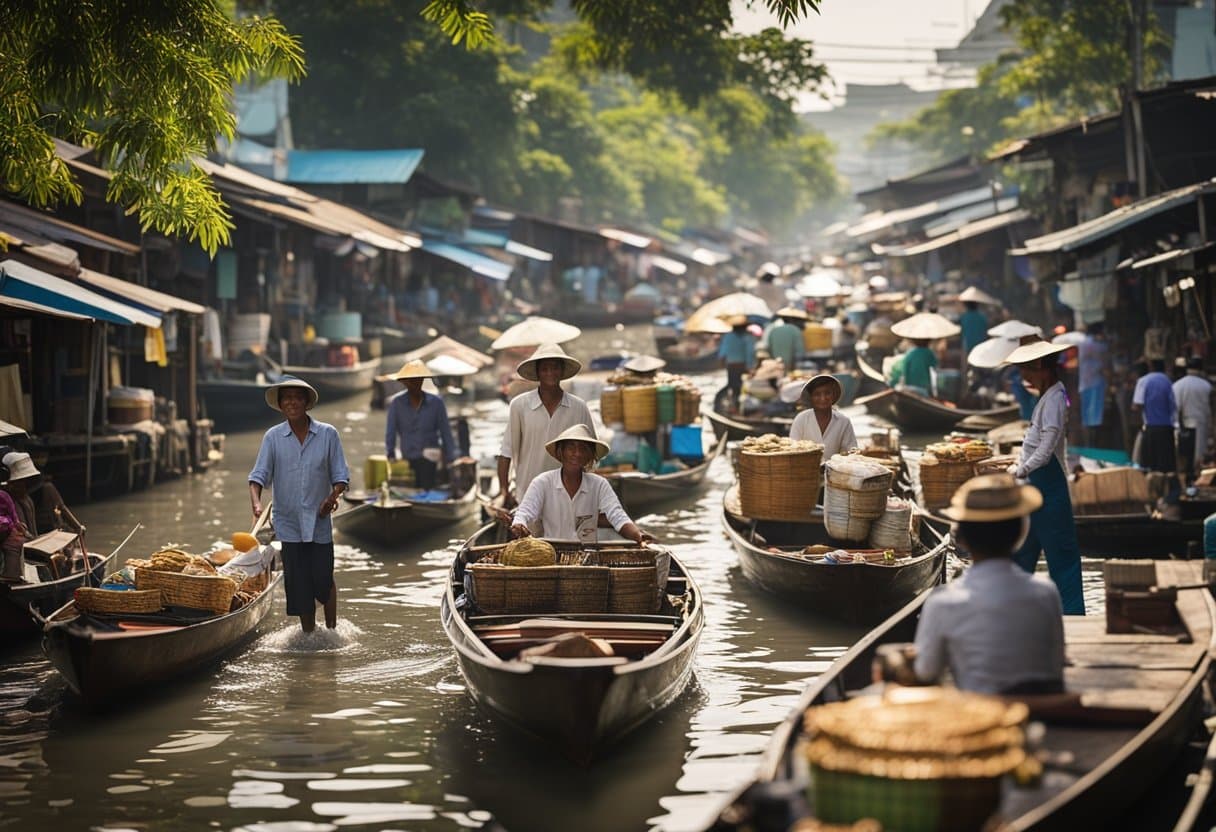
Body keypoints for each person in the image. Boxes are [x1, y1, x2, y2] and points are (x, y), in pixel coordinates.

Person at [907, 474, 1065, 695]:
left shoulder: (943, 602)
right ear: (1020, 532)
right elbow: (1055, 666)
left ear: (962, 538)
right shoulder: (1046, 593)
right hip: (1041, 711)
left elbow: (925, 671)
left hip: (980, 715)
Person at [249, 377, 350, 633]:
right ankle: (309, 634)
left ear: (306, 402)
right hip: (289, 523)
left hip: (318, 521)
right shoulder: (273, 437)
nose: (292, 402)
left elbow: (340, 476)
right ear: (281, 405)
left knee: (323, 579)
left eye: (297, 397)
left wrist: (332, 497)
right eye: (287, 398)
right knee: (299, 584)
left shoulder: (328, 434)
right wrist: (257, 504)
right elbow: (258, 476)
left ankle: (331, 629)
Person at [1004, 336, 1084, 615]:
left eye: (1026, 368)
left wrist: (1020, 469)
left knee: (1063, 561)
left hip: (1049, 490)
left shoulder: (1055, 399)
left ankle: (1073, 617)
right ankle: (1011, 612)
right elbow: (1034, 445)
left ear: (1041, 365)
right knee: (1022, 555)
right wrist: (1018, 463)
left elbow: (1046, 450)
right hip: (1036, 489)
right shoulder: (1048, 396)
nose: (1023, 375)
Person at [511, 424, 651, 546]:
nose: (577, 454)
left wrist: (638, 536)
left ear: (588, 455)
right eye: (571, 447)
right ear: (562, 452)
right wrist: (519, 525)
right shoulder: (542, 482)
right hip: (553, 553)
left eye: (583, 449)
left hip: (588, 553)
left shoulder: (599, 484)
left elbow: (618, 516)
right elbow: (524, 513)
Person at [497, 343, 595, 511]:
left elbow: (591, 454)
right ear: (538, 373)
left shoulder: (579, 407)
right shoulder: (519, 405)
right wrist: (504, 492)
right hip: (528, 495)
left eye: (555, 368)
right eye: (545, 369)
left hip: (569, 496)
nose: (550, 373)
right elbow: (506, 453)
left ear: (562, 371)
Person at [384, 359, 457, 491]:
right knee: (410, 489)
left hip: (430, 455)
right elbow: (391, 432)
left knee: (427, 486)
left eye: (419, 380)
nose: (416, 384)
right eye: (412, 381)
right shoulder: (396, 403)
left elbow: (445, 431)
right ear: (405, 382)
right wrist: (391, 454)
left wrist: (451, 458)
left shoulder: (436, 403)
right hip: (408, 455)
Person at [1133, 358, 1178, 498]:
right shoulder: (1168, 381)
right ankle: (1168, 496)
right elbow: (1173, 406)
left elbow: (1137, 404)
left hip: (1151, 429)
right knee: (1166, 466)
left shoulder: (1144, 381)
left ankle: (1152, 495)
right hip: (1167, 429)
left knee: (1149, 466)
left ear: (1151, 367)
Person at [789, 375, 857, 461]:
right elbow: (792, 450)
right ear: (811, 398)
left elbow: (851, 450)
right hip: (806, 470)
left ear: (833, 395)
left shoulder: (843, 421)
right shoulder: (801, 419)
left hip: (835, 471)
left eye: (827, 393)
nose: (823, 398)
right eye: (817, 394)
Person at [1174, 355, 1213, 483]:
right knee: (1200, 459)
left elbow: (1176, 409)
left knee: (1186, 460)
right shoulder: (1207, 386)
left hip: (1185, 427)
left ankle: (1188, 483)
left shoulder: (1178, 385)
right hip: (1203, 426)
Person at [1077, 323, 1111, 445]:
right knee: (1095, 415)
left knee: (1086, 416)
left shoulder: (1083, 343)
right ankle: (1093, 442)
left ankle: (1089, 443)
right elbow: (1105, 362)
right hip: (1095, 383)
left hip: (1084, 383)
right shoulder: (1098, 345)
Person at [718, 315, 757, 410]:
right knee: (741, 388)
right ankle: (738, 407)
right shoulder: (748, 337)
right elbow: (750, 353)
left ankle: (736, 406)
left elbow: (722, 353)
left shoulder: (728, 336)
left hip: (731, 366)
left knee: (734, 387)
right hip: (742, 366)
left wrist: (723, 363)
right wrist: (750, 367)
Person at [765, 307, 806, 371]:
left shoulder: (774, 330)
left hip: (776, 367)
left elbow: (768, 349)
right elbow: (799, 352)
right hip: (790, 368)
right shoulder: (796, 330)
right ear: (793, 320)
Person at [957, 297, 989, 364]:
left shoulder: (964, 317)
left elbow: (962, 334)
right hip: (981, 347)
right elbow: (986, 333)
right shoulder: (982, 317)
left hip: (968, 348)